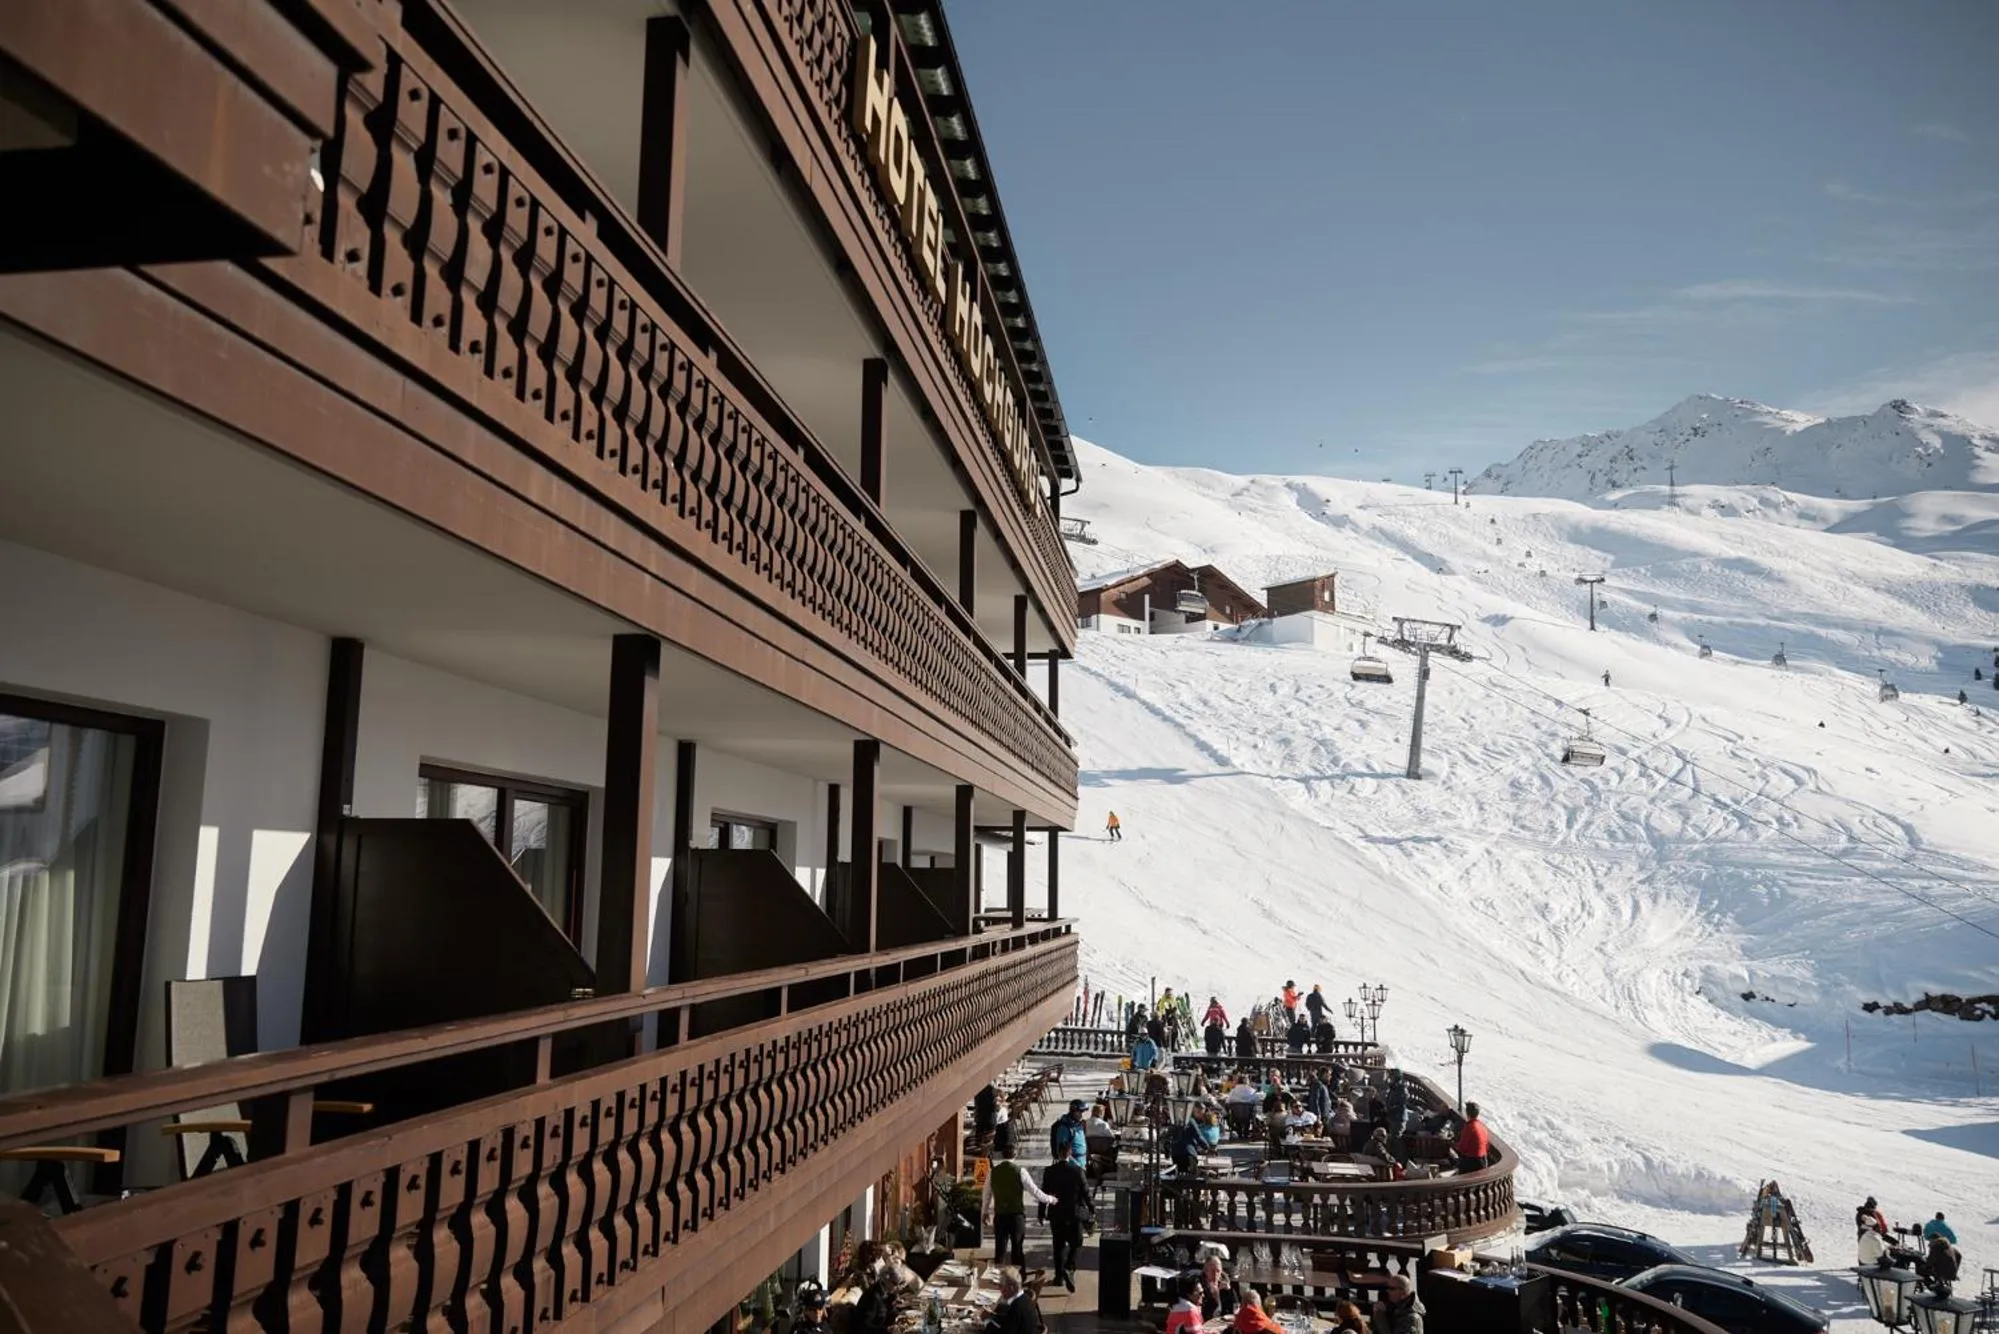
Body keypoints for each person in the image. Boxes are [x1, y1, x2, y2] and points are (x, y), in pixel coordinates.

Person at [982, 1145, 1054, 1269]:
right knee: (1017, 1249)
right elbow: (1035, 1191)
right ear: (1015, 1154)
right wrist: (1051, 1199)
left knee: (999, 1251)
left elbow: (986, 1194)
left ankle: (997, 1278)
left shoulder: (992, 1172)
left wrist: (985, 1211)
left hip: (1000, 1215)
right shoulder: (1020, 1171)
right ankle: (1019, 1278)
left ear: (1002, 1155)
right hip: (1016, 1216)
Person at [1041, 1148, 1094, 1291]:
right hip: (1073, 1215)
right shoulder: (1077, 1171)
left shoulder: (1049, 1171)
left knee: (1058, 1246)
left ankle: (1058, 1277)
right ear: (1069, 1153)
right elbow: (1086, 1192)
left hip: (1056, 1214)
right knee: (1076, 1243)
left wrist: (1041, 1212)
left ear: (1058, 1154)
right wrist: (1092, 1208)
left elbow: (1043, 1193)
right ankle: (1069, 1267)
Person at [981, 1269, 1042, 1334]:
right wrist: (991, 1316)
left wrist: (986, 1324)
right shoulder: (1025, 1297)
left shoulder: (1017, 1307)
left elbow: (1006, 1330)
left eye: (1001, 1285)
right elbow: (1009, 1319)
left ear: (1011, 1288)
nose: (999, 1288)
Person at [1454, 1102, 1490, 1173]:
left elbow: (1462, 1147)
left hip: (1472, 1163)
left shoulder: (1469, 1127)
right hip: (1484, 1161)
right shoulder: (1482, 1126)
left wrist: (1453, 1144)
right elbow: (1487, 1146)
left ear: (1467, 1113)